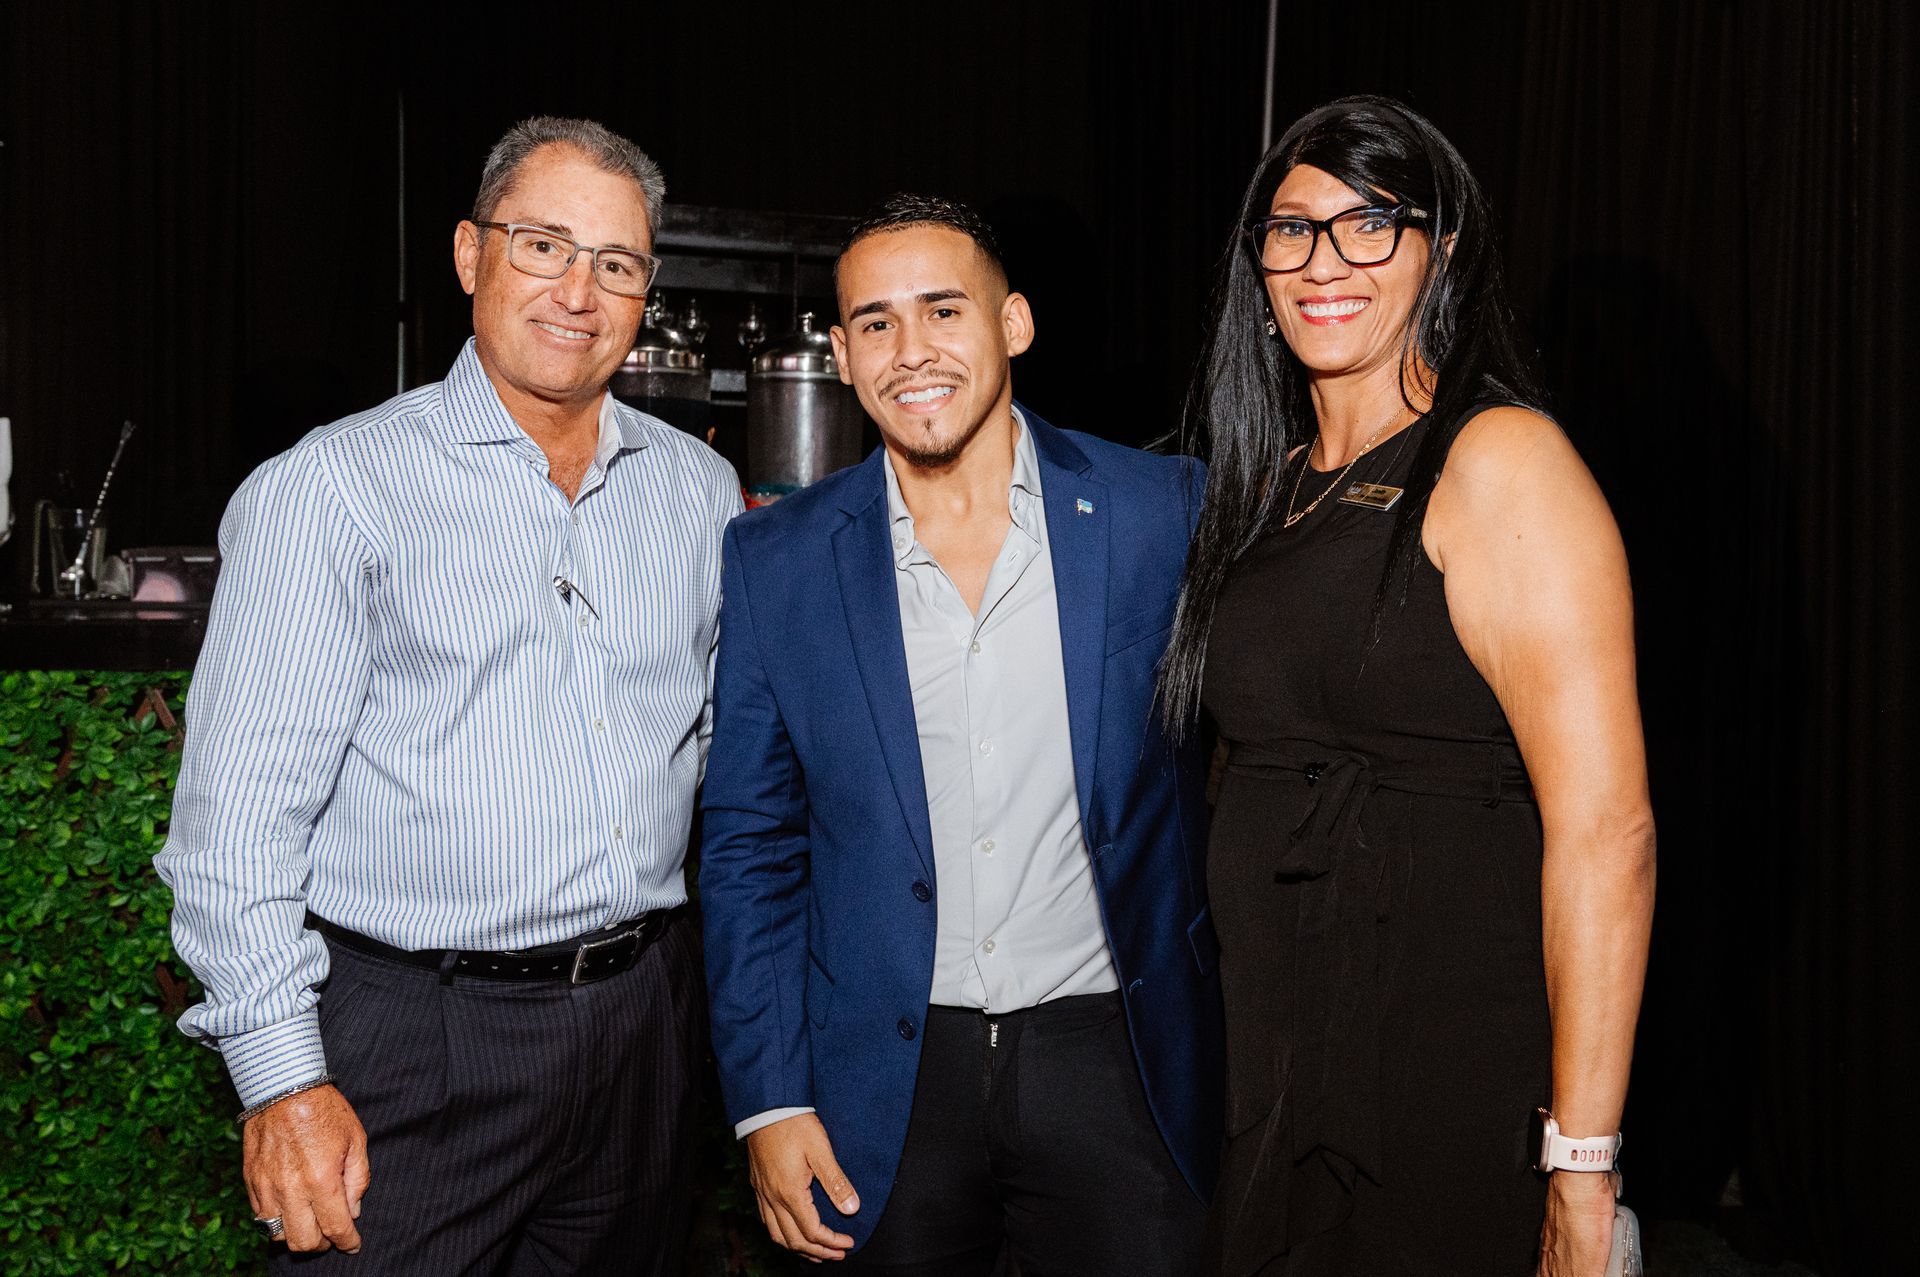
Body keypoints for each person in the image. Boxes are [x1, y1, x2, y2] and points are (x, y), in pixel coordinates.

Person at [155, 116, 742, 1274]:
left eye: (616, 263)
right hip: (416, 1039)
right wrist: (285, 1080)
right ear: (471, 255)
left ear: (647, 292)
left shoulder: (699, 489)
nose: (579, 290)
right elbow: (234, 829)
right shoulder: (333, 487)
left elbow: (719, 751)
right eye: (542, 246)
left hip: (643, 1027)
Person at [1157, 96, 1656, 1276]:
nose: (1324, 262)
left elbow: (1607, 833)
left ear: (1441, 251)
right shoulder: (1266, 484)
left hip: (1446, 1061)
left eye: (1370, 223)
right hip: (1277, 1050)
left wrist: (1581, 1166)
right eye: (1291, 230)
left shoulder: (1499, 461)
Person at [699, 194, 1223, 1274]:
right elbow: (749, 847)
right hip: (880, 1078)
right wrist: (769, 1098)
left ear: (1014, 323)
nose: (910, 351)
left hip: (1113, 1058)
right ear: (841, 354)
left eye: (944, 310)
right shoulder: (776, 557)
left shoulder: (1159, 511)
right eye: (876, 323)